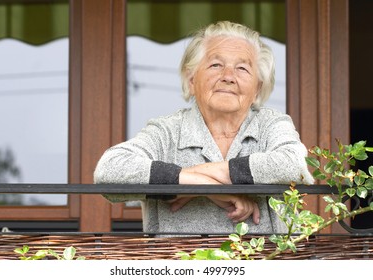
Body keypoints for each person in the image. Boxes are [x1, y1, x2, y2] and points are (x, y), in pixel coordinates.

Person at [94, 21, 314, 234]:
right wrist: (201, 185)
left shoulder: (271, 124)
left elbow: (295, 164)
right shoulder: (168, 131)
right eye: (215, 65)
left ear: (257, 89)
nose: (228, 77)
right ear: (191, 80)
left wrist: (199, 177)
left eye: (242, 68)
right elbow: (109, 171)